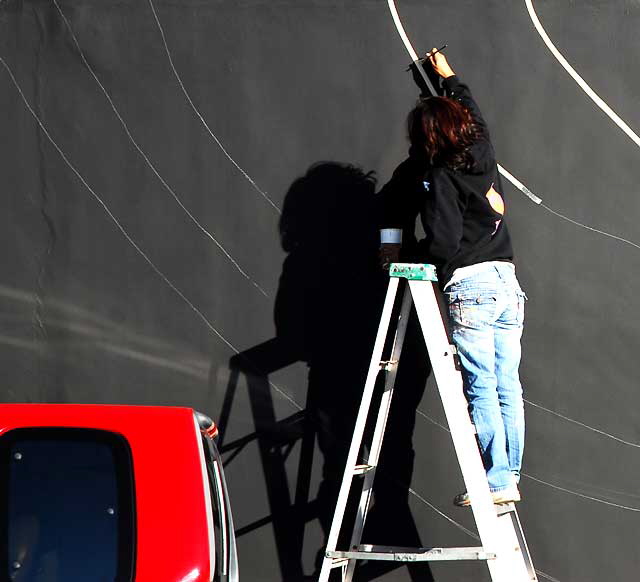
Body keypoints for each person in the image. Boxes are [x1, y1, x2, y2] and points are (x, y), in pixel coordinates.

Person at [379, 49, 527, 506]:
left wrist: (406, 253)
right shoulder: (483, 151)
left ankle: (498, 481)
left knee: (480, 384)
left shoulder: (440, 177)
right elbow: (475, 114)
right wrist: (451, 78)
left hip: (473, 289)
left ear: (429, 138)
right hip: (507, 283)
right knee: (507, 383)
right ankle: (510, 475)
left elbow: (443, 243)